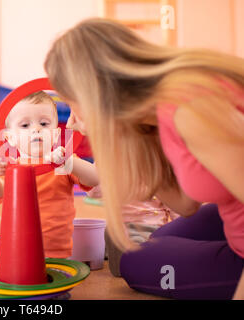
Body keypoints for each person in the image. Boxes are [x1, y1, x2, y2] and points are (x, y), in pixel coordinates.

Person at [44, 18, 244, 299]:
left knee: (135, 261)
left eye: (71, 101)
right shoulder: (159, 109)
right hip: (232, 217)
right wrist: (121, 135)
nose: (74, 116)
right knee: (153, 244)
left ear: (93, 94)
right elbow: (185, 205)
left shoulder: (190, 110)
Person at [0, 91, 99, 276]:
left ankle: (10, 271)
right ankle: (6, 268)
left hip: (52, 254)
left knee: (40, 280)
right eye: (25, 125)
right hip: (13, 245)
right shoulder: (10, 166)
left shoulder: (65, 162)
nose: (36, 129)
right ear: (10, 138)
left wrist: (68, 162)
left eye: (44, 123)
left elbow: (95, 178)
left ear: (55, 134)